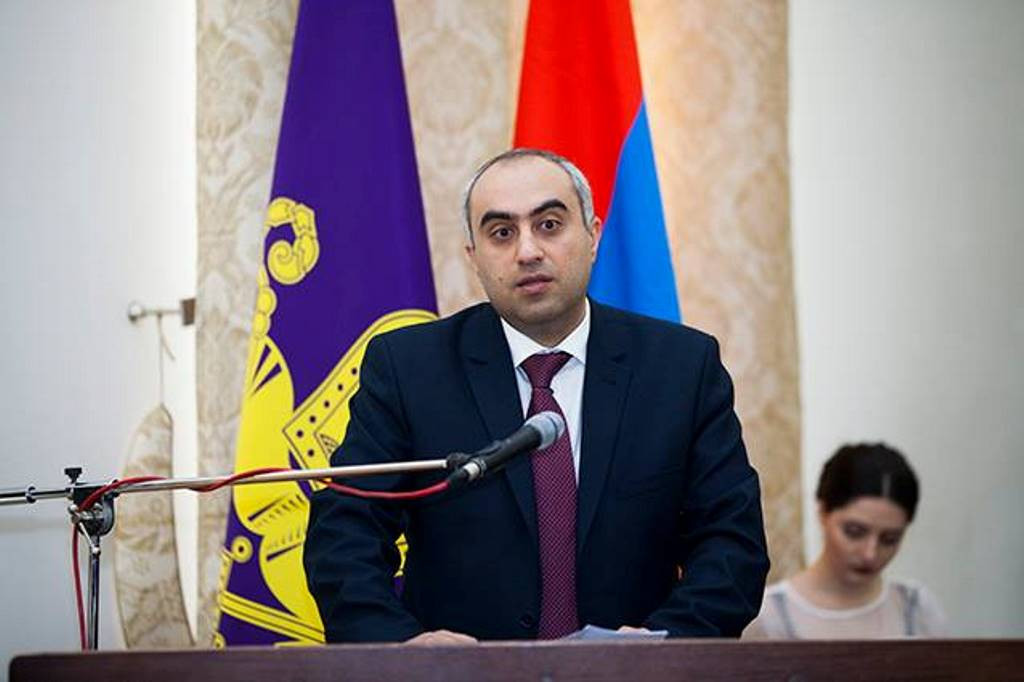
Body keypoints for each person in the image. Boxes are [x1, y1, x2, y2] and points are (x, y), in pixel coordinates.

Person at [304, 148, 769, 644]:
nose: (527, 251)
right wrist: (404, 648)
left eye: (549, 225)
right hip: (458, 678)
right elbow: (344, 535)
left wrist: (665, 646)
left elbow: (730, 544)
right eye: (501, 233)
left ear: (592, 235)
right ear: (474, 257)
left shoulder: (681, 368)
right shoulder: (408, 368)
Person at [744, 443, 947, 639]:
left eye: (889, 539)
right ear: (823, 512)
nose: (870, 554)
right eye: (854, 532)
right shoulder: (770, 617)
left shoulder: (916, 609)